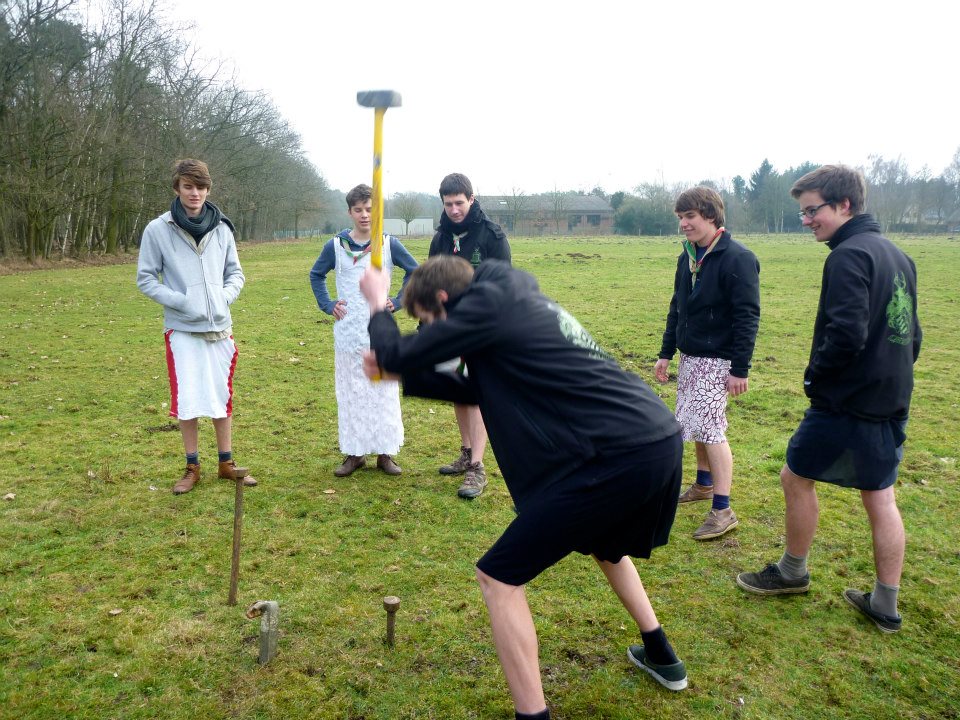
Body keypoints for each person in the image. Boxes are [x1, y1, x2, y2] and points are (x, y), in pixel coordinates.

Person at [359, 255, 687, 719]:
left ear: (444, 302)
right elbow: (479, 388)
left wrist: (378, 306)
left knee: (499, 578)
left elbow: (395, 351)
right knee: (605, 545)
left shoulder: (487, 307)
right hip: (651, 438)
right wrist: (401, 374)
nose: (434, 337)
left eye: (430, 324)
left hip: (616, 455)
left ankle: (532, 716)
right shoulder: (506, 305)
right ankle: (661, 654)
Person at [737, 165, 921, 634]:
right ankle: (885, 603)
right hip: (889, 399)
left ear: (844, 205)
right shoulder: (899, 256)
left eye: (812, 210)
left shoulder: (847, 256)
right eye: (802, 212)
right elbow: (912, 336)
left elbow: (846, 334)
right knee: (880, 497)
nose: (806, 220)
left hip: (845, 402)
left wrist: (816, 377)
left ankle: (792, 572)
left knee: (795, 477)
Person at [136, 158, 256, 495]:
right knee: (187, 398)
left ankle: (226, 463)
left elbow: (236, 273)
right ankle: (191, 466)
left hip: (220, 327)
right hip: (182, 329)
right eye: (188, 186)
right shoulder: (157, 229)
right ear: (177, 188)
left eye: (201, 187)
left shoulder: (223, 228)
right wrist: (182, 301)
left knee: (221, 395)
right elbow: (146, 279)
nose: (195, 193)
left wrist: (222, 298)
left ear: (208, 190)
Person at [654, 186, 760, 540]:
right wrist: (666, 353)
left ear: (711, 216)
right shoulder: (689, 255)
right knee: (695, 424)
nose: (683, 224)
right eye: (680, 218)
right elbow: (677, 306)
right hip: (691, 357)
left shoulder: (737, 258)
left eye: (690, 217)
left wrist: (740, 369)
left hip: (718, 361)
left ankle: (723, 508)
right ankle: (703, 484)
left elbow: (747, 316)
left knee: (712, 429)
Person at [309, 184, 418, 477]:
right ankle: (354, 453)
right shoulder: (335, 246)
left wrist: (397, 300)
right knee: (351, 392)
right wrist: (327, 304)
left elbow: (414, 271)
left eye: (369, 209)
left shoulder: (387, 244)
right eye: (358, 210)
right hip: (348, 331)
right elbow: (316, 274)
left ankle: (386, 453)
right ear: (349, 212)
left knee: (383, 390)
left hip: (380, 331)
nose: (364, 215)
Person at [427, 173, 511, 498]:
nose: (454, 209)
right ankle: (465, 453)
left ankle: (477, 467)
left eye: (459, 202)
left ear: (471, 199)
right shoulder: (440, 239)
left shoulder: (492, 236)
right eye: (448, 204)